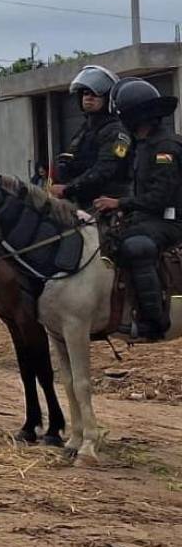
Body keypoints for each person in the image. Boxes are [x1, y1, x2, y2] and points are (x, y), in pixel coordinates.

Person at [95, 78, 182, 341]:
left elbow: (159, 196)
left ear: (133, 116)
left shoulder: (165, 147)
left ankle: (153, 321)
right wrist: (123, 211)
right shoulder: (144, 145)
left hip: (171, 220)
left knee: (137, 247)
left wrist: (120, 203)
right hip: (149, 217)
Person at [52, 64, 131, 211]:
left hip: (108, 203)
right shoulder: (84, 130)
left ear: (108, 98)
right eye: (85, 92)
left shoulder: (118, 132)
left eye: (96, 93)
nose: (89, 97)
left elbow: (105, 169)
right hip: (82, 201)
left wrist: (67, 188)